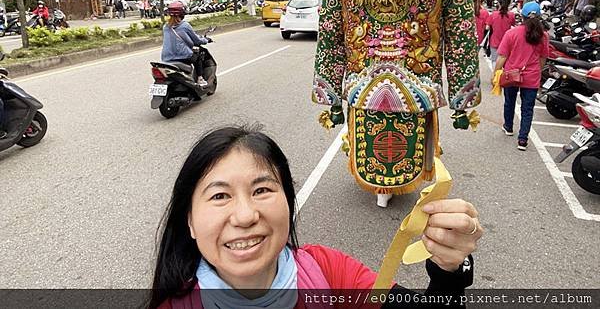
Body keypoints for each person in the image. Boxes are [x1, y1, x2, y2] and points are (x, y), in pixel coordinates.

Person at [148, 126, 482, 309]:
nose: (246, 215)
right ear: (189, 220)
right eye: (220, 196)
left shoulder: (328, 272)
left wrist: (448, 270)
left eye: (262, 190)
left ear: (288, 203)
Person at [312, 0, 481, 208]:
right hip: (417, 87)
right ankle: (391, 188)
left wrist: (332, 99)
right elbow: (461, 38)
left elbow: (330, 36)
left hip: (363, 88)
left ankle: (380, 190)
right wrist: (462, 102)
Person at [493, 1, 549, 151]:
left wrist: (495, 74)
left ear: (522, 16)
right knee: (527, 109)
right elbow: (543, 59)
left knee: (509, 102)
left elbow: (502, 57)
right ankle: (523, 140)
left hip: (511, 75)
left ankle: (509, 127)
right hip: (531, 78)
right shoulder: (543, 36)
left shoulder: (512, 33)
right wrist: (536, 71)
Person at [161, 2, 210, 85]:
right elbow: (197, 40)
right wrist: (205, 40)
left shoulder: (165, 26)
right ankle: (200, 79)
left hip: (166, 57)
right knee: (199, 56)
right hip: (183, 56)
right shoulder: (185, 25)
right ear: (182, 14)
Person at [486, 0, 515, 67]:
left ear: (499, 3)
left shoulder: (494, 14)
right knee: (504, 63)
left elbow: (487, 28)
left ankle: (495, 77)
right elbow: (513, 25)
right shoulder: (511, 15)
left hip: (494, 41)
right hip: (506, 42)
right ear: (509, 4)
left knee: (494, 61)